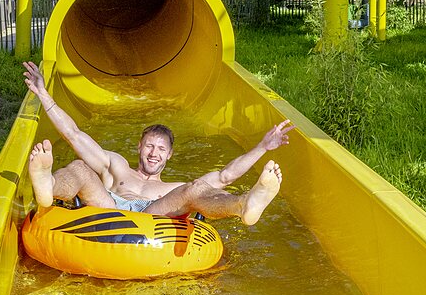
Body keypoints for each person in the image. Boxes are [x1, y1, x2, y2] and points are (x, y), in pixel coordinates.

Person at [22, 61, 290, 225]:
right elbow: (74, 134)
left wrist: (263, 147)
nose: (154, 153)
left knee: (197, 188)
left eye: (161, 149)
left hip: (153, 213)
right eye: (150, 146)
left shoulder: (171, 188)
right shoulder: (116, 166)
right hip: (110, 204)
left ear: (169, 155)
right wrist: (45, 95)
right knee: (80, 166)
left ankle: (244, 205)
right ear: (139, 146)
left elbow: (225, 175)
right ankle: (49, 185)